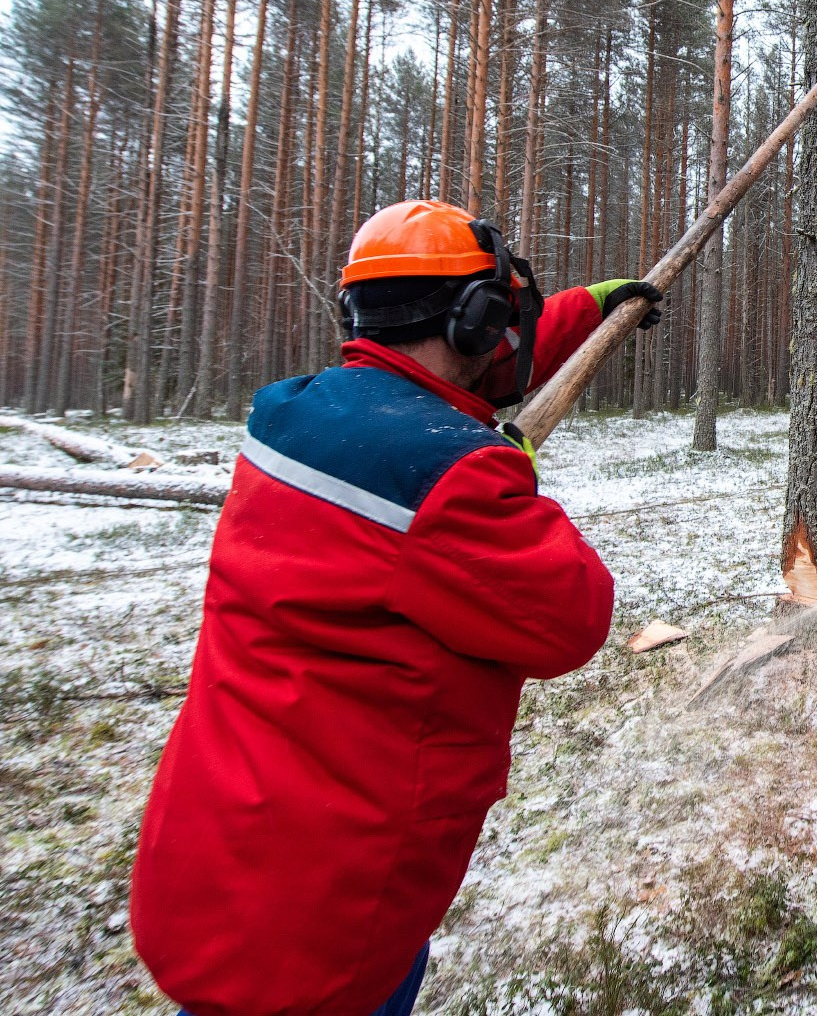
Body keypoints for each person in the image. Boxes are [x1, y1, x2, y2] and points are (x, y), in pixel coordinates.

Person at [130, 199, 664, 1016]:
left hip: (209, 865)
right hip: (323, 928)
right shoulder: (449, 481)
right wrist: (502, 467)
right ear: (474, 322)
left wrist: (599, 304)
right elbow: (575, 617)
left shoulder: (289, 417)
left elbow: (463, 367)